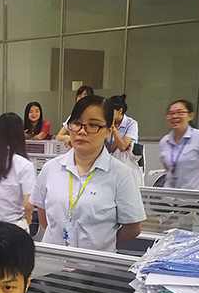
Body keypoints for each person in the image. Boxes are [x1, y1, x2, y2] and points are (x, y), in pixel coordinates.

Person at [31, 94, 145, 252]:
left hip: (95, 263)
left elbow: (132, 228)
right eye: (77, 123)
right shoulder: (50, 168)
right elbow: (45, 218)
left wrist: (103, 246)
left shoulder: (122, 175)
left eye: (93, 125)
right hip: (52, 260)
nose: (82, 131)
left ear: (108, 130)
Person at [159, 99, 199, 190]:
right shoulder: (164, 141)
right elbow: (168, 168)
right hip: (170, 195)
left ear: (190, 116)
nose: (174, 116)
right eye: (171, 113)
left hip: (195, 195)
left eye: (180, 112)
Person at [105, 94, 140, 179]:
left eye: (110, 111)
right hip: (109, 164)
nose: (107, 114)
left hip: (126, 164)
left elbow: (123, 147)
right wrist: (119, 143)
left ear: (120, 111)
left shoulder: (131, 124)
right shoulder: (105, 123)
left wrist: (113, 128)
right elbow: (108, 148)